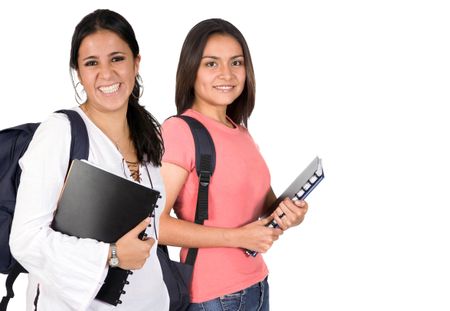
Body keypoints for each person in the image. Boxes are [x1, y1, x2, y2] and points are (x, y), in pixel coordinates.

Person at [10, 9, 169, 310]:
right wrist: (111, 254)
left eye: (117, 58)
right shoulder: (61, 132)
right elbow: (25, 240)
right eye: (92, 63)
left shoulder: (147, 136)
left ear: (136, 63)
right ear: (79, 72)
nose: (106, 74)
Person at [159, 18, 309, 310]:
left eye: (236, 63)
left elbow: (261, 210)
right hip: (214, 296)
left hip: (257, 284)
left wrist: (290, 215)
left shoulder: (239, 131)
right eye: (211, 64)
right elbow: (156, 225)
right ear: (191, 70)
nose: (226, 74)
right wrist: (238, 237)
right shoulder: (180, 131)